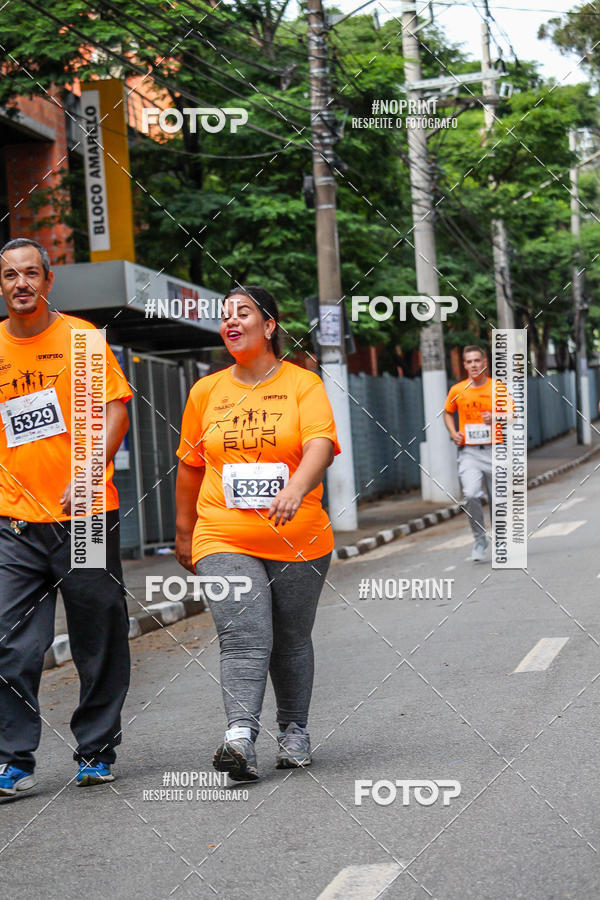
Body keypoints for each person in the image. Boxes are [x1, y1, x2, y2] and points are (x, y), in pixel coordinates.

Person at [175, 285, 339, 781]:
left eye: (243, 313)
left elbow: (320, 445)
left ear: (269, 326)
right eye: (225, 315)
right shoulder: (205, 391)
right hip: (224, 533)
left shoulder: (302, 385)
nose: (231, 322)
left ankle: (294, 731)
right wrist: (184, 532)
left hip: (299, 535)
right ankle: (239, 738)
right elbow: (189, 467)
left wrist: (296, 488)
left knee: (290, 641)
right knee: (244, 637)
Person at [0, 238, 132, 799]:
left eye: (31, 273)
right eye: (10, 276)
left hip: (86, 517)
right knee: (8, 641)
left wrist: (90, 466)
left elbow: (115, 409)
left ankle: (97, 750)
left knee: (97, 633)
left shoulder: (81, 340)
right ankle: (13, 760)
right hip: (14, 522)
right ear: (1, 286)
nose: (21, 284)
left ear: (48, 282)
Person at [443, 344, 510, 562]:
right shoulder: (457, 390)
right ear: (464, 365)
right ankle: (480, 539)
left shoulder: (497, 388)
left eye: (477, 361)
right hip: (469, 453)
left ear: (485, 363)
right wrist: (454, 433)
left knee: (498, 499)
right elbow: (447, 412)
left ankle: (501, 541)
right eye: (469, 361)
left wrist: (496, 417)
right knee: (471, 494)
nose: (473, 365)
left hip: (495, 450)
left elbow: (512, 414)